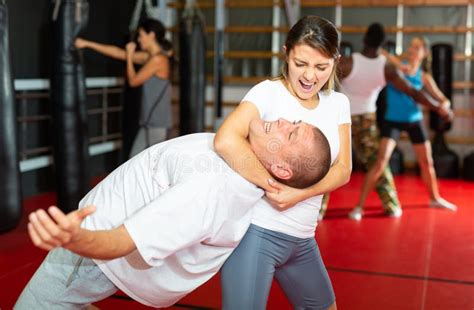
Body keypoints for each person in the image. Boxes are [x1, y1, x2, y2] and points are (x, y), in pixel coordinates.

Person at [15, 119, 331, 309]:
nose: (282, 122)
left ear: (279, 168)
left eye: (290, 134)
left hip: (92, 249)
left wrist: (75, 238)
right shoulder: (239, 155)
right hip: (99, 247)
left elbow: (122, 242)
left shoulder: (211, 190)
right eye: (293, 122)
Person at [214, 16, 351, 309]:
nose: (309, 76)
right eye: (300, 64)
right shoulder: (268, 92)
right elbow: (226, 139)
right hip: (257, 233)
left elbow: (343, 169)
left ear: (335, 61)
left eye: (321, 67)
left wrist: (298, 194)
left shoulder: (338, 104)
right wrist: (273, 186)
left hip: (303, 240)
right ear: (287, 53)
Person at [320, 23, 453, 220]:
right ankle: (388, 205)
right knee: (377, 163)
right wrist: (439, 108)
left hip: (345, 119)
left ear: (364, 40)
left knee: (332, 163)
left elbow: (322, 80)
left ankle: (320, 211)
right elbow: (414, 93)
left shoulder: (348, 62)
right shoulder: (388, 68)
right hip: (366, 120)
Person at [75, 18, 173, 158]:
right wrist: (87, 44)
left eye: (141, 35)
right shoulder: (149, 57)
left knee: (155, 167)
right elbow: (117, 53)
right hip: (147, 122)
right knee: (134, 159)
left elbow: (133, 81)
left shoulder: (158, 60)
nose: (139, 40)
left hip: (157, 123)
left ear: (151, 35)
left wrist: (129, 56)